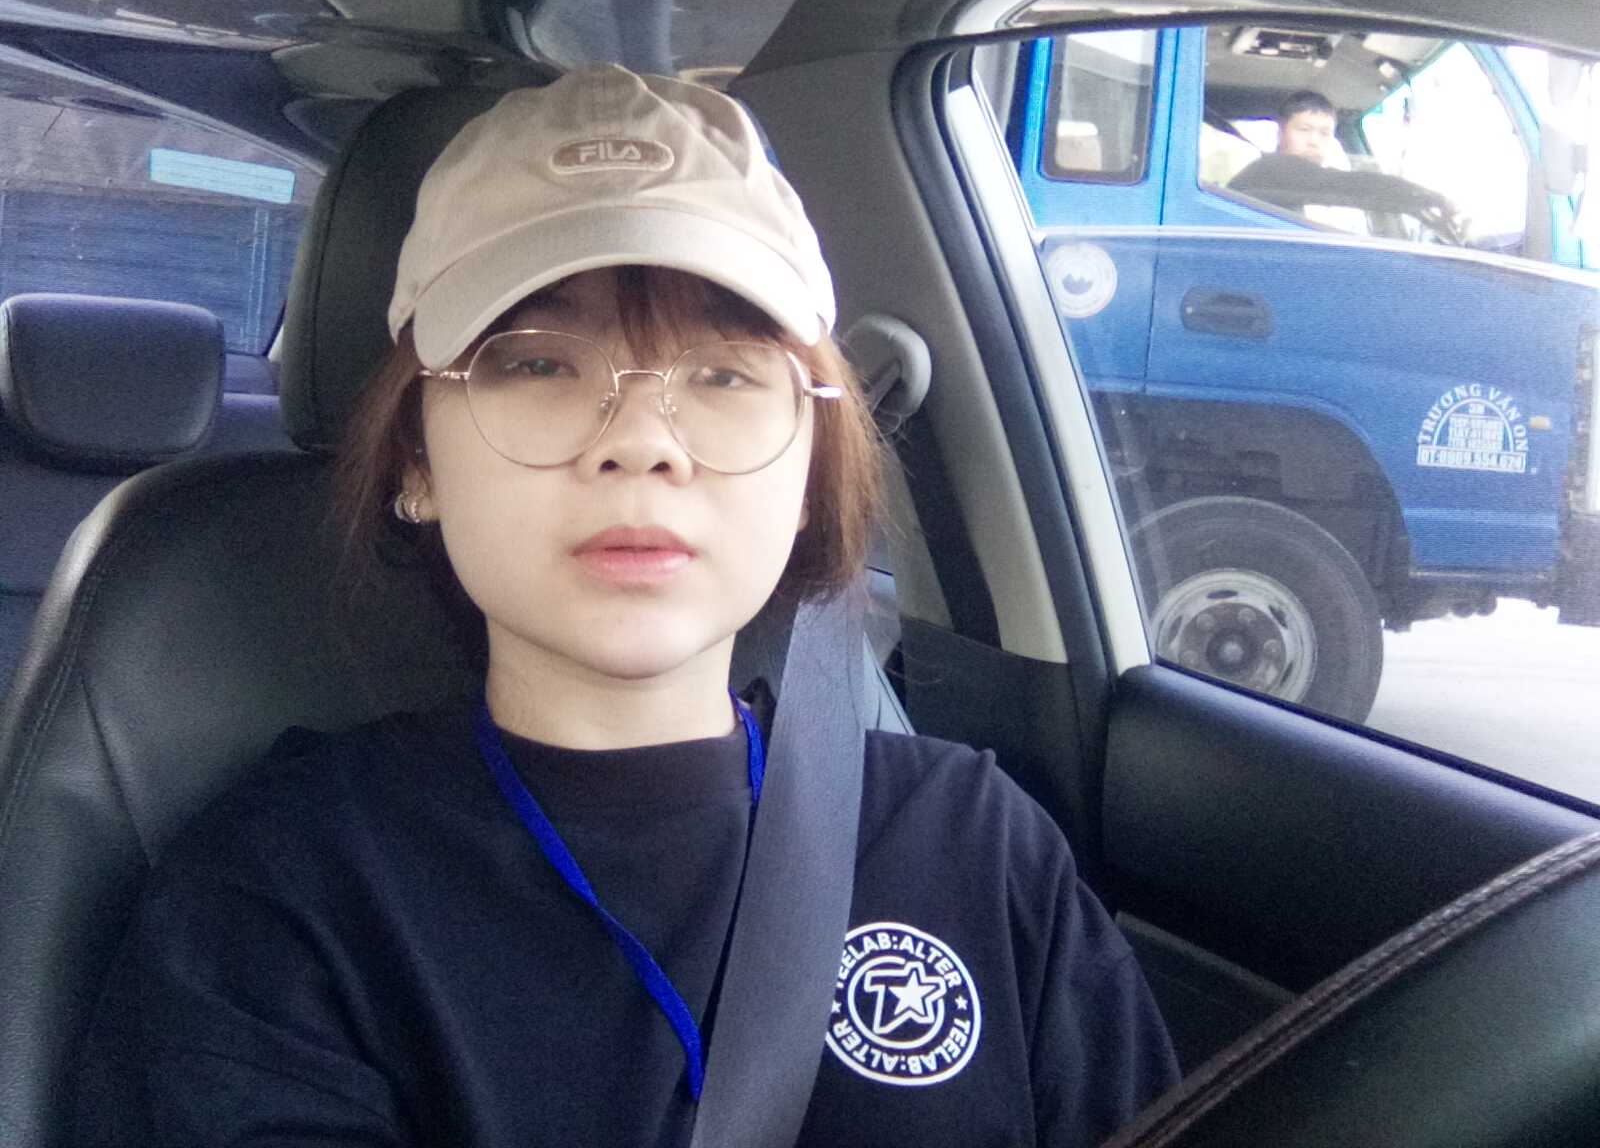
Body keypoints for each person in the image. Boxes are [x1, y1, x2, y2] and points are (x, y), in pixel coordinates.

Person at [73, 64, 1179, 1147]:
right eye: (539, 365)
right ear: (416, 458)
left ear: (808, 462)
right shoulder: (281, 895)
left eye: (725, 374)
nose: (642, 442)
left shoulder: (976, 842)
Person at [1228, 89, 1458, 239]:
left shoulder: (1308, 188)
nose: (1314, 141)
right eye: (1304, 129)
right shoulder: (1269, 170)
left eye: (1324, 133)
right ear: (1281, 133)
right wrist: (1428, 198)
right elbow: (1350, 185)